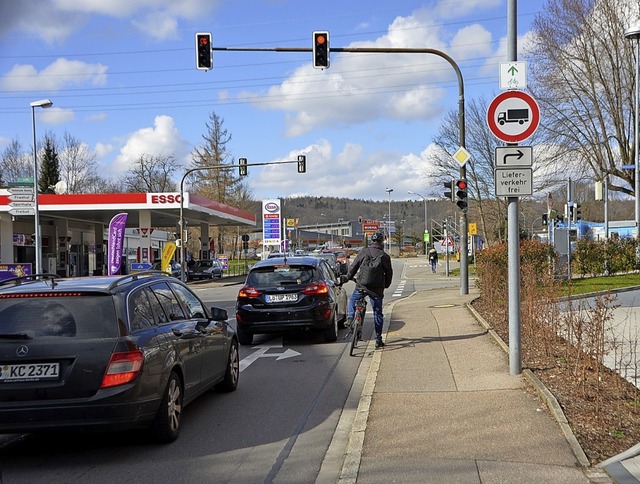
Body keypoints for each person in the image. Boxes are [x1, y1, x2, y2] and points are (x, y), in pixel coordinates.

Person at [343, 232, 393, 348]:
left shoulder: (363, 252)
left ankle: (351, 317)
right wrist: (386, 285)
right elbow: (389, 274)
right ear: (381, 242)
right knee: (377, 313)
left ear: (372, 242)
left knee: (352, 299)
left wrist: (347, 277)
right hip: (376, 289)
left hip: (362, 286)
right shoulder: (384, 256)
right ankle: (378, 339)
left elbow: (353, 267)